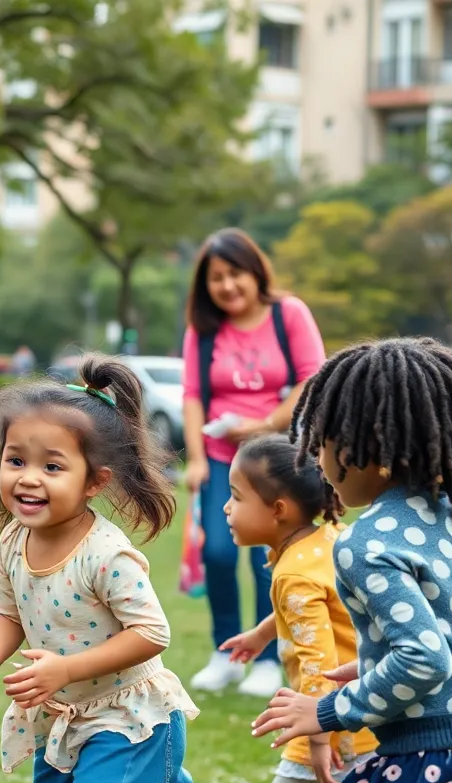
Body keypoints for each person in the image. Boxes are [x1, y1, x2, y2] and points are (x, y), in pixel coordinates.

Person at [253, 338, 452, 783]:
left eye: (321, 442)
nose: (319, 461)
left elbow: (424, 659)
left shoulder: (365, 542)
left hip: (435, 767)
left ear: (359, 448)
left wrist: (328, 710)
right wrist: (374, 664)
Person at [0, 354, 199, 783]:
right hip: (61, 714)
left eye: (52, 466)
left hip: (127, 719)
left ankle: (160, 766)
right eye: (16, 460)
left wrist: (65, 668)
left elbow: (151, 633)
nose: (28, 477)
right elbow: (8, 612)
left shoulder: (105, 554)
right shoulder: (13, 539)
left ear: (94, 481)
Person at [181, 228, 327, 697]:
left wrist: (265, 421)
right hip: (224, 460)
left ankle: (268, 657)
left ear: (255, 271)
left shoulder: (290, 314)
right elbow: (191, 396)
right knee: (219, 553)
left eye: (234, 274)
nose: (227, 286)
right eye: (216, 278)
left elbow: (313, 377)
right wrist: (198, 459)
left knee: (275, 556)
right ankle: (225, 653)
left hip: (280, 458)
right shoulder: (202, 331)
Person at [218, 435, 377, 783]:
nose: (226, 508)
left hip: (332, 721)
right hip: (369, 705)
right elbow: (319, 608)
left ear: (278, 510)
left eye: (236, 497)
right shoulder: (328, 538)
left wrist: (319, 738)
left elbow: (317, 661)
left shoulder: (294, 574)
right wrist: (261, 633)